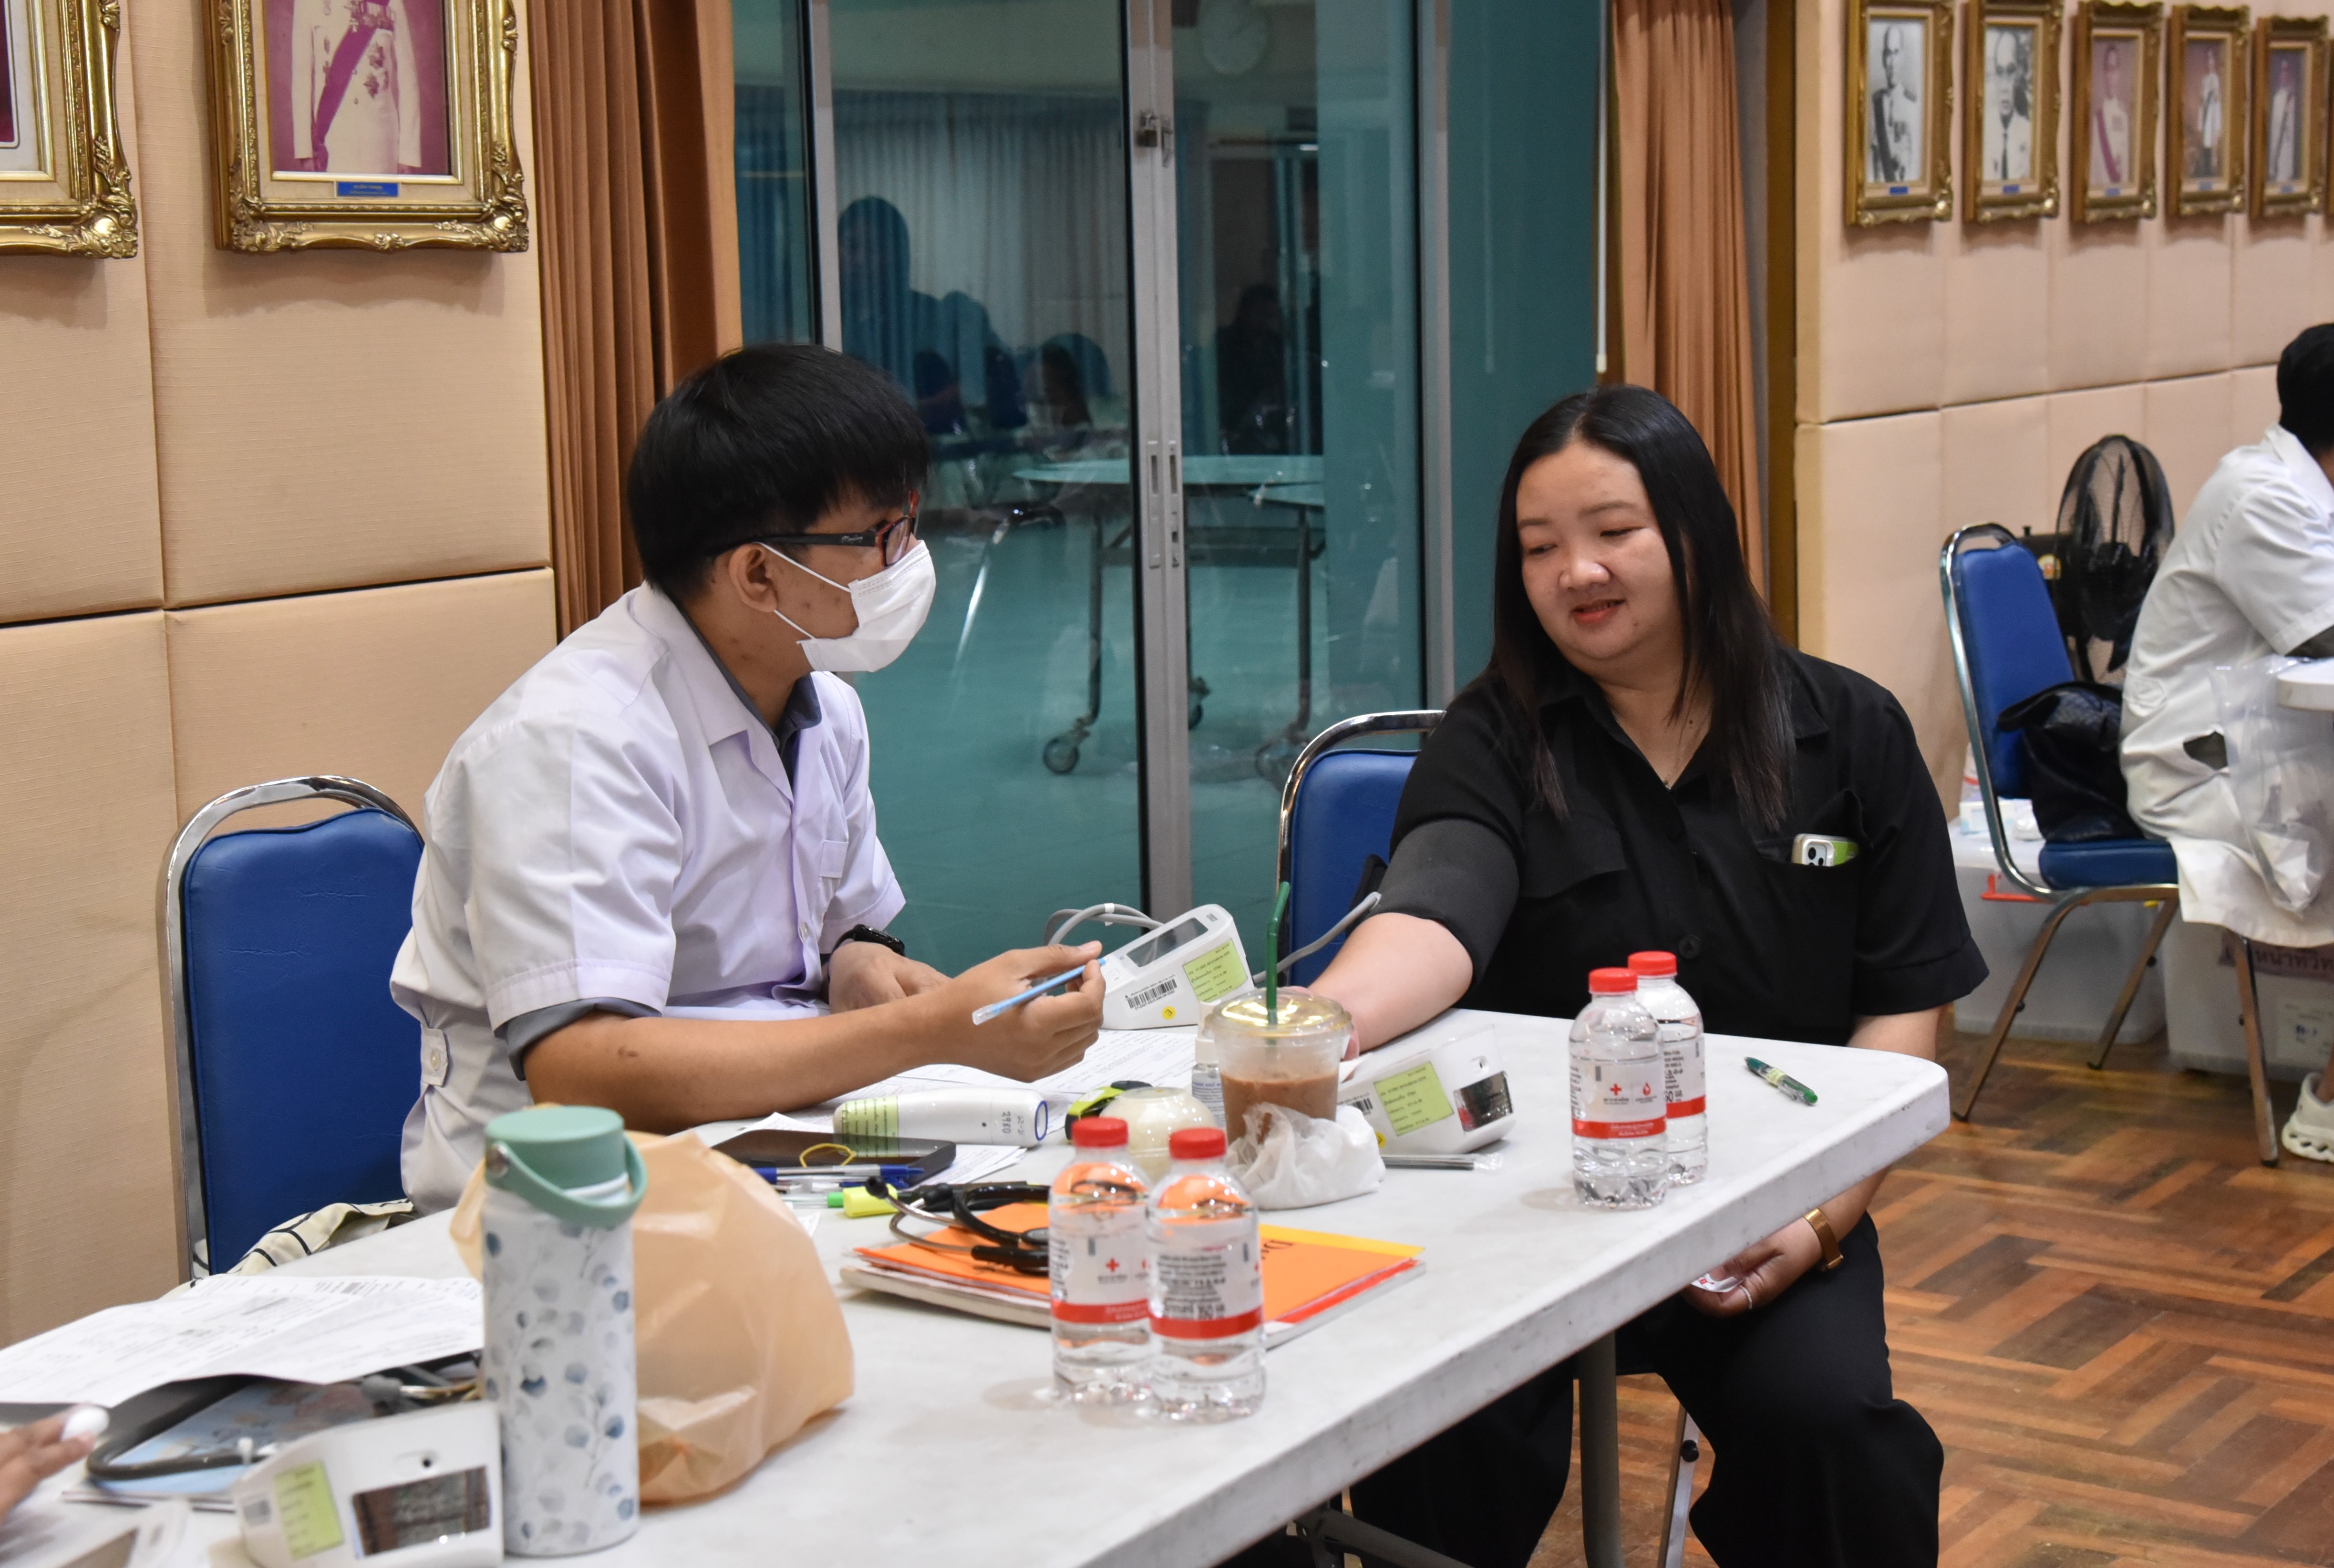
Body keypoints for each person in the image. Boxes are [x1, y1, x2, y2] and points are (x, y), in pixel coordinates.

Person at [1233, 385, 1980, 1568]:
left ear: (1694, 530)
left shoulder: (1850, 731)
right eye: (1539, 547)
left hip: (1763, 1207)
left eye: (1613, 531)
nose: (1575, 571)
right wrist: (1318, 1024)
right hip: (1518, 1215)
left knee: (1832, 1435)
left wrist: (1818, 1220)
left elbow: (1902, 1009)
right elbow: (1436, 910)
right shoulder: (1493, 735)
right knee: (1430, 1446)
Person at [395, 344, 1105, 1209]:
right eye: (877, 536)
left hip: (771, 1150)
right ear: (759, 572)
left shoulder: (823, 704)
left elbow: (839, 932)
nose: (907, 559)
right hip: (558, 1214)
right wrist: (928, 1028)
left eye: (908, 525)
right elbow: (583, 1071)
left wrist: (858, 963)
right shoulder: (574, 741)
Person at [2121, 323, 2334, 1164]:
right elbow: (2325, 636)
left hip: (2272, 756)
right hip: (2203, 771)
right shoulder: (2262, 499)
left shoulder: (2304, 486)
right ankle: (2326, 1103)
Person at [288, 0, 423, 175]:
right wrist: (305, 151)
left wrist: (408, 154)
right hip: (333, 140)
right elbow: (301, 79)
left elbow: (408, 79)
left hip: (381, 144)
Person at [1869, 24, 1920, 183]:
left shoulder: (1913, 106)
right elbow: (1870, 164)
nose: (1892, 63)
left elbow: (1917, 163)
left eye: (1896, 53)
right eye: (1888, 54)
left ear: (1903, 57)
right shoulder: (1874, 105)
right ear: (1883, 59)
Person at [1985, 27, 2034, 182]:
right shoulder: (1984, 132)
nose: (2005, 87)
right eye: (2000, 72)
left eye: (2011, 72)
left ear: (2019, 74)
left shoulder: (2029, 133)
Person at [2094, 41, 2132, 186]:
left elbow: (2126, 166)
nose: (2111, 76)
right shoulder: (2096, 119)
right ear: (2104, 74)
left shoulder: (2124, 117)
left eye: (2114, 69)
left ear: (2119, 74)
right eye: (2108, 70)